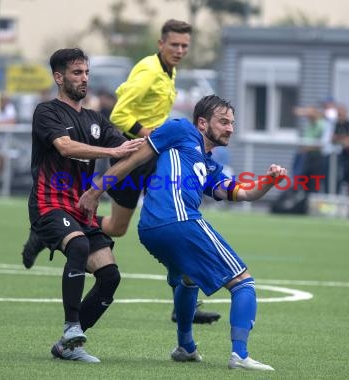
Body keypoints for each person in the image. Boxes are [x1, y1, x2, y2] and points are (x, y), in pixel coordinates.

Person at [20, 19, 222, 324]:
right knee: (177, 219)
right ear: (160, 44)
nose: (180, 50)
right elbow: (120, 115)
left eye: (185, 46)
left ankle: (51, 230)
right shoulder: (148, 71)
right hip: (134, 157)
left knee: (116, 227)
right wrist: (153, 137)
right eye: (175, 44)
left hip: (144, 156)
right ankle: (185, 302)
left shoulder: (169, 72)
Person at [78, 95, 280, 371]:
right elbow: (134, 160)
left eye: (232, 123)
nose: (230, 128)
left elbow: (243, 193)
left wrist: (268, 181)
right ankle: (240, 355)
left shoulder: (209, 165)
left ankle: (185, 347)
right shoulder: (180, 130)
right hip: (178, 221)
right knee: (243, 282)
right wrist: (96, 189)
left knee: (188, 279)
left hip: (151, 229)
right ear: (201, 123)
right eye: (223, 122)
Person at [27, 48, 144, 363]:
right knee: (77, 246)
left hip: (81, 209)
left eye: (87, 73)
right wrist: (111, 153)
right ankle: (70, 327)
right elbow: (64, 147)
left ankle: (69, 346)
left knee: (110, 278)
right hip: (49, 202)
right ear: (59, 77)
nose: (84, 79)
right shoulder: (46, 111)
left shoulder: (95, 119)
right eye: (77, 73)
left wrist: (156, 140)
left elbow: (124, 146)